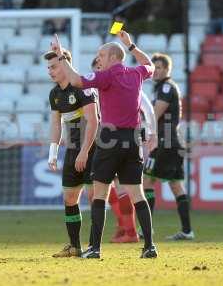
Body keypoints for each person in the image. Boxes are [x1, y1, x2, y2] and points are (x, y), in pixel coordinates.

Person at [51, 31, 157, 259]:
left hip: (109, 140)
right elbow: (150, 66)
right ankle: (150, 246)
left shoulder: (106, 77)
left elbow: (77, 80)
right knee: (137, 193)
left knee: (99, 194)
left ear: (113, 58)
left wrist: (62, 58)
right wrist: (131, 45)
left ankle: (95, 248)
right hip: (133, 140)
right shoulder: (136, 74)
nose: (98, 59)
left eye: (101, 55)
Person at [45, 49, 99, 258]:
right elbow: (55, 124)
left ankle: (94, 246)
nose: (50, 71)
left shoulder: (83, 88)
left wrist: (85, 151)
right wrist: (53, 151)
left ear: (65, 64)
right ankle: (75, 246)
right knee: (69, 197)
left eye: (54, 66)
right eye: (48, 67)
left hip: (93, 149)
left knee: (96, 197)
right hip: (73, 150)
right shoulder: (55, 94)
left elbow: (93, 122)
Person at [143, 53, 194, 241]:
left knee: (147, 181)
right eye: (153, 68)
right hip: (173, 141)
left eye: (158, 68)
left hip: (165, 141)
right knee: (175, 185)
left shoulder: (165, 88)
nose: (155, 71)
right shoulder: (164, 87)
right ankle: (187, 231)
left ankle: (146, 229)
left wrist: (142, 132)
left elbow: (154, 114)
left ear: (166, 70)